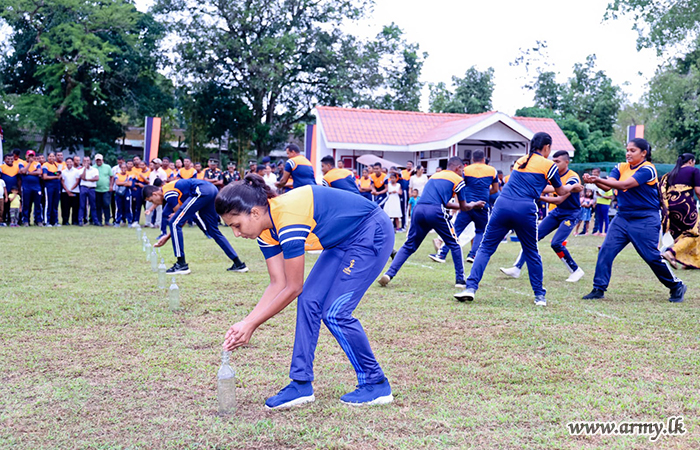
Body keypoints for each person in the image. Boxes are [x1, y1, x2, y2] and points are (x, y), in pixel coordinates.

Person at [216, 175, 395, 409]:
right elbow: (277, 283)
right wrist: (246, 322)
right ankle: (301, 384)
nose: (236, 234)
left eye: (236, 225)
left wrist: (252, 325)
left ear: (255, 213)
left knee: (335, 313)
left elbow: (293, 286)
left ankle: (376, 383)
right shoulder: (266, 231)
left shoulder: (287, 218)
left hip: (370, 230)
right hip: (341, 241)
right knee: (309, 300)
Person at [455, 132, 582, 306]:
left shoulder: (521, 161)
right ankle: (539, 296)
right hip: (524, 209)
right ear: (547, 147)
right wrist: (573, 187)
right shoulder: (548, 165)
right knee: (531, 251)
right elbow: (560, 191)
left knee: (485, 248)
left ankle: (470, 288)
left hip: (502, 206)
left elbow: (535, 186)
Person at [581, 138, 686, 302]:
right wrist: (596, 182)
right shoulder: (620, 167)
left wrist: (597, 180)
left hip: (645, 218)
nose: (628, 153)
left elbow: (625, 185)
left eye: (632, 150)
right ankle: (598, 288)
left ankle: (676, 286)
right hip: (622, 217)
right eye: (627, 150)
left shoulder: (648, 169)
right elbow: (609, 185)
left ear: (643, 153)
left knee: (651, 257)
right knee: (606, 251)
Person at [378, 157, 485, 289]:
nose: (462, 173)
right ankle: (460, 280)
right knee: (455, 244)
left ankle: (389, 274)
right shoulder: (458, 180)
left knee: (409, 245)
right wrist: (474, 204)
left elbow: (444, 202)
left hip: (419, 209)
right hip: (435, 210)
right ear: (458, 168)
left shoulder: (434, 176)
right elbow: (464, 207)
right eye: (462, 170)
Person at [500, 150, 586, 283]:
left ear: (566, 162)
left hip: (571, 213)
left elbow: (559, 199)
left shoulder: (573, 177)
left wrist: (537, 196)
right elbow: (543, 187)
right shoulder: (553, 174)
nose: (554, 164)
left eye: (557, 161)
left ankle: (576, 270)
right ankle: (517, 268)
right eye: (553, 161)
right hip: (557, 211)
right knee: (532, 238)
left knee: (556, 243)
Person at [144, 179, 248, 274]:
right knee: (213, 231)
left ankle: (181, 264)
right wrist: (167, 236)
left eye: (151, 200)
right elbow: (181, 219)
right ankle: (238, 264)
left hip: (202, 190)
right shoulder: (172, 191)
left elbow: (179, 221)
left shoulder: (167, 192)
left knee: (174, 222)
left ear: (155, 194)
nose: (154, 203)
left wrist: (166, 237)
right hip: (212, 190)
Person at [430, 150, 497, 265]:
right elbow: (495, 189)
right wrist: (484, 193)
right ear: (484, 159)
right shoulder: (492, 170)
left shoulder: (466, 170)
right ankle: (473, 255)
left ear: (472, 159)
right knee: (480, 231)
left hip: (467, 205)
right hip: (482, 205)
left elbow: (459, 185)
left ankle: (442, 254)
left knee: (456, 230)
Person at [658, 153, 700, 269]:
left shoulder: (670, 174)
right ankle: (671, 252)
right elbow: (698, 191)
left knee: (680, 234)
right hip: (685, 206)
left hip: (670, 208)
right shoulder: (694, 171)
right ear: (691, 161)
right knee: (694, 233)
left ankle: (689, 263)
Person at [19, 150, 43, 226]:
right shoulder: (22, 163)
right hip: (26, 187)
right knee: (26, 204)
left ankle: (38, 220)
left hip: (36, 187)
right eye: (29, 156)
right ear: (26, 156)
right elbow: (22, 171)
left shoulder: (37, 164)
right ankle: (26, 220)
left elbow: (39, 172)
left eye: (32, 156)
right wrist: (29, 163)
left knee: (38, 204)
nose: (31, 157)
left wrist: (28, 173)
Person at [41, 152, 62, 227]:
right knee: (48, 203)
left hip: (57, 186)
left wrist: (58, 174)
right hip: (49, 186)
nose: (52, 158)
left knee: (55, 204)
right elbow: (45, 177)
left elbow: (57, 173)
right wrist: (56, 177)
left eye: (53, 156)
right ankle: (47, 221)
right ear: (48, 157)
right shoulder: (45, 165)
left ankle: (55, 221)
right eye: (50, 156)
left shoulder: (57, 165)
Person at [78, 156, 99, 226]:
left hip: (92, 188)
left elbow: (96, 178)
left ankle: (95, 221)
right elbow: (82, 177)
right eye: (85, 161)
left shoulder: (95, 169)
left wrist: (87, 179)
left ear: (90, 161)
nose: (86, 162)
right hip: (83, 187)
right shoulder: (81, 170)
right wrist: (85, 169)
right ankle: (80, 220)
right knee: (82, 205)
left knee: (93, 205)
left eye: (88, 160)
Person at [60, 157, 81, 226]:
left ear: (72, 162)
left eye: (70, 162)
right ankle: (65, 221)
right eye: (67, 162)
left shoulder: (76, 171)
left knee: (75, 207)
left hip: (75, 191)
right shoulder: (63, 171)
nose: (69, 163)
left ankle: (74, 221)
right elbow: (62, 182)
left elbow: (77, 181)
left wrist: (71, 190)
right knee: (65, 207)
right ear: (65, 163)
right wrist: (67, 190)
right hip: (65, 192)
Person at [94, 154, 112, 226]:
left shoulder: (107, 167)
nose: (98, 161)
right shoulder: (93, 168)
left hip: (106, 189)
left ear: (102, 160)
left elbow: (111, 176)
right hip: (96, 189)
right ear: (95, 161)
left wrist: (111, 186)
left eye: (100, 160)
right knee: (98, 206)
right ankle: (99, 220)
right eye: (97, 160)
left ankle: (107, 220)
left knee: (106, 205)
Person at [1, 153, 20, 224]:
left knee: (12, 206)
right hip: (4, 191)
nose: (10, 160)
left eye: (11, 159)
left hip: (14, 191)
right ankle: (3, 220)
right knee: (4, 206)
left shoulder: (16, 167)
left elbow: (19, 179)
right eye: (8, 159)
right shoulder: (2, 167)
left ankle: (11, 220)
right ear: (4, 160)